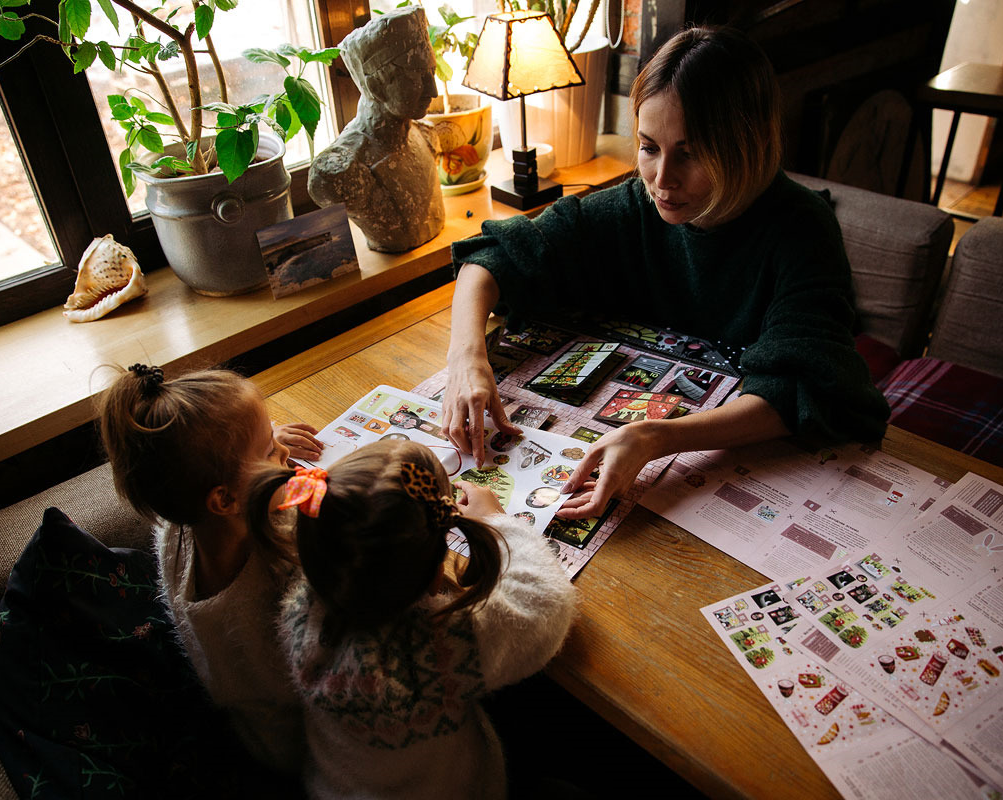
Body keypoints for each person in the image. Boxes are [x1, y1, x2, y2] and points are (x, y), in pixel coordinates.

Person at [441, 25, 890, 520]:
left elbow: (805, 388)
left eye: (691, 153)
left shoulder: (803, 229)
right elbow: (492, 254)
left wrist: (654, 436)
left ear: (749, 145)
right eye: (649, 146)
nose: (661, 179)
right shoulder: (636, 204)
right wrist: (465, 356)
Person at [244, 438, 578, 800]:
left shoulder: (299, 600)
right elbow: (546, 601)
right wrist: (499, 524)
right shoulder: (438, 653)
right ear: (438, 575)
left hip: (334, 786)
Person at [98, 363, 323, 776]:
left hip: (249, 721)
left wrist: (259, 457)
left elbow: (244, 485)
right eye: (272, 451)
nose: (286, 455)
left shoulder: (177, 529)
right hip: (302, 746)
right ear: (224, 500)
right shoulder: (280, 580)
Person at [307, 5, 445, 252]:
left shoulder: (425, 134)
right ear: (376, 86)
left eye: (431, 72)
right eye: (416, 76)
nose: (432, 90)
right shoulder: (342, 171)